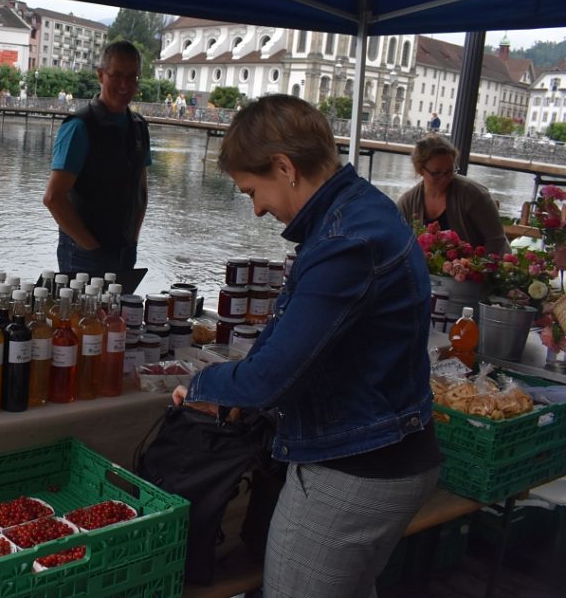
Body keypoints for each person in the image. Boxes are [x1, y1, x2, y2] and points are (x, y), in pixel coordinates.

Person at [172, 95, 441, 598]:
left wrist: (203, 383)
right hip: (390, 454)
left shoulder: (345, 242)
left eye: (253, 191)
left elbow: (271, 377)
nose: (257, 210)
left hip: (353, 471)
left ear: (284, 167)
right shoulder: (360, 211)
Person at [43, 40, 151, 274]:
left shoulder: (139, 127)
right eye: (117, 76)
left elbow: (140, 192)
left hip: (124, 250)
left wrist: (133, 240)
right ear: (101, 75)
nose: (125, 85)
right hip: (83, 255)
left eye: (132, 77)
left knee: (117, 311)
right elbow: (53, 198)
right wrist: (93, 249)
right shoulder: (79, 127)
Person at [397, 134, 509, 255]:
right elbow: (398, 242)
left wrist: (477, 268)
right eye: (437, 173)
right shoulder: (407, 203)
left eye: (449, 171)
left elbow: (497, 241)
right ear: (420, 170)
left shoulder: (474, 195)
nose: (445, 178)